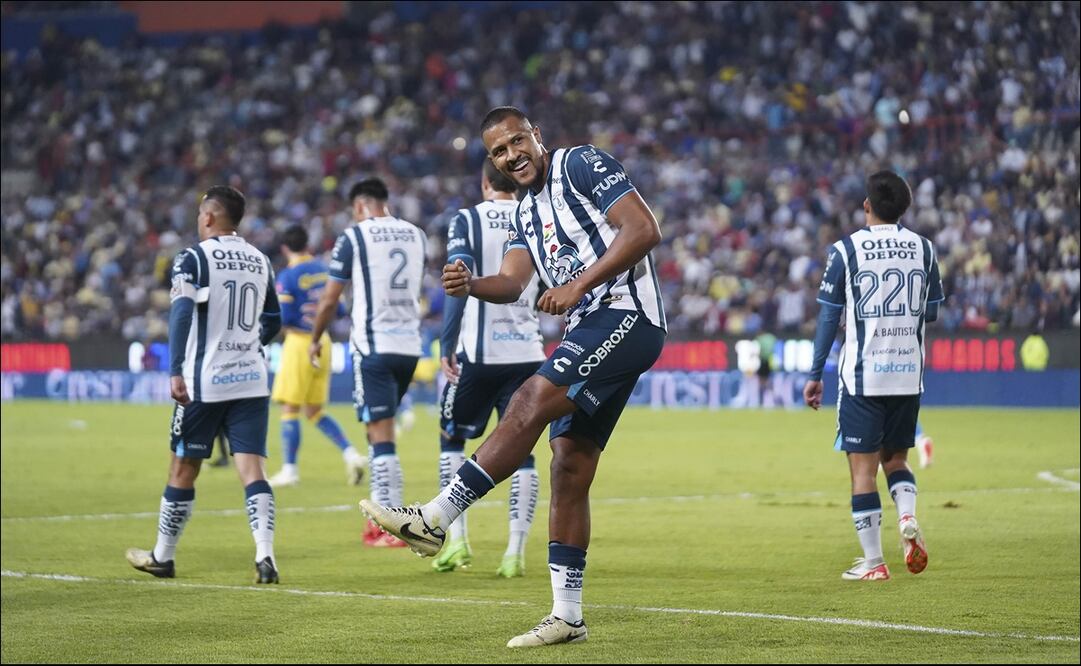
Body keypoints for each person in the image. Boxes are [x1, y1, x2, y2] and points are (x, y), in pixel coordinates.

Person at [361, 106, 667, 648]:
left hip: (627, 315)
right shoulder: (526, 211)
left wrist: (577, 286)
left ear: (536, 136)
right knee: (568, 463)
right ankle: (567, 617)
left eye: (517, 141)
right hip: (592, 324)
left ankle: (435, 517)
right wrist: (470, 285)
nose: (511, 156)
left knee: (530, 399)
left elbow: (644, 228)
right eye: (498, 151)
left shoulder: (580, 164)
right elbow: (512, 282)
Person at [125, 186, 282, 583]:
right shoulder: (260, 259)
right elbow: (274, 320)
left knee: (183, 467)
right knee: (253, 469)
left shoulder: (193, 258)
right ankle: (266, 556)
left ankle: (163, 556)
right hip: (251, 379)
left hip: (205, 382)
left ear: (209, 217)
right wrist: (249, 346)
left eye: (200, 214)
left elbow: (180, 314)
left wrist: (175, 369)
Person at [804, 170, 944, 582]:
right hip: (908, 374)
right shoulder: (925, 249)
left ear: (867, 205)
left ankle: (874, 562)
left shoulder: (845, 250)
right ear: (905, 208)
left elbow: (829, 316)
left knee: (862, 470)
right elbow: (931, 311)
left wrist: (816, 373)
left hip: (863, 376)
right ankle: (907, 517)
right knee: (896, 459)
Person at [431, 160, 546, 577]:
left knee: (451, 437)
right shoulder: (535, 216)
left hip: (480, 356)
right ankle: (515, 552)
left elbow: (458, 282)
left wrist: (447, 343)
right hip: (528, 352)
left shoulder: (467, 219)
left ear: (484, 182)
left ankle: (456, 541)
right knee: (522, 449)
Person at [309, 178, 427, 548]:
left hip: (375, 345)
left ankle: (389, 526)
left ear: (359, 206)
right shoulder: (417, 234)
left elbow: (330, 298)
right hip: (410, 346)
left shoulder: (354, 236)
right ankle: (383, 518)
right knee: (380, 430)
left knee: (380, 434)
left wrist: (315, 337)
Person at [266, 224, 367, 488]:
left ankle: (289, 470)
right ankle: (351, 454)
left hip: (300, 343)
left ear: (284, 248)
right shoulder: (324, 270)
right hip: (324, 341)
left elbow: (285, 317)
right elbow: (340, 309)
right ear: (307, 245)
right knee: (314, 411)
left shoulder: (288, 276)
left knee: (290, 408)